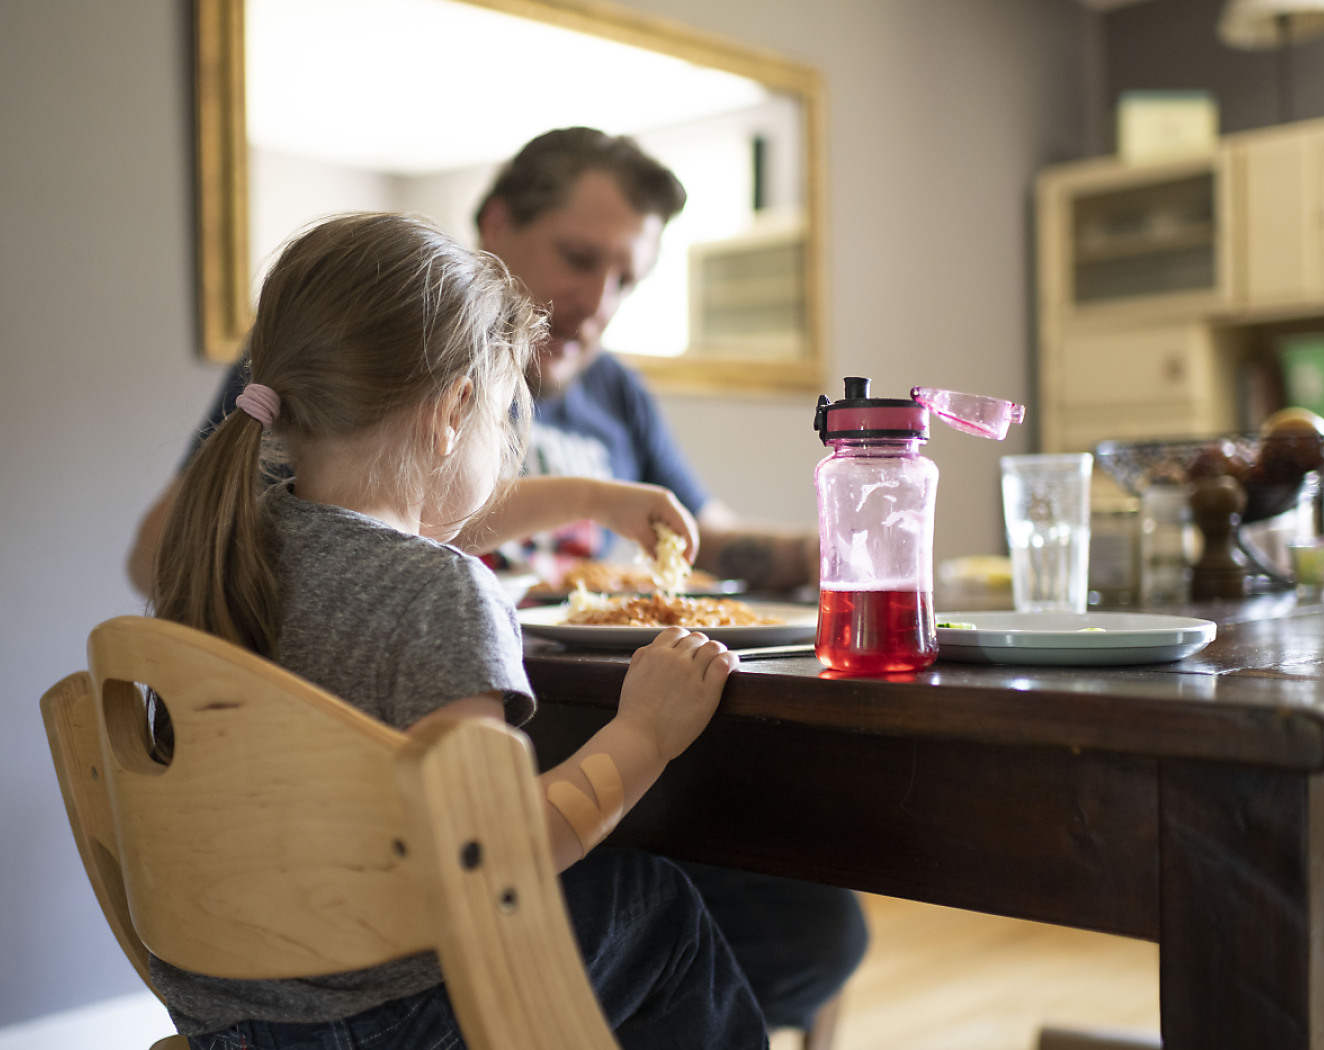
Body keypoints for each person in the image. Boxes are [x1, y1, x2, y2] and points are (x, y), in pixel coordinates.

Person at [128, 129, 867, 1036]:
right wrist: (646, 732)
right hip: (393, 1014)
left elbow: (408, 519)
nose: (598, 299)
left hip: (236, 1004)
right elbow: (504, 851)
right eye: (505, 415)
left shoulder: (240, 544)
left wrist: (593, 495)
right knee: (656, 905)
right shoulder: (442, 595)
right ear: (454, 415)